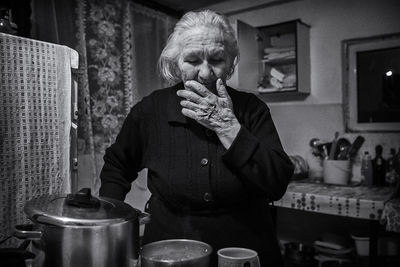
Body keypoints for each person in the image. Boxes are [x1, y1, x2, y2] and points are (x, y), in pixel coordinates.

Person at [99, 10, 294, 266]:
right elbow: (117, 166)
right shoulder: (150, 110)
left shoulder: (251, 109)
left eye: (216, 59)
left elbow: (277, 183)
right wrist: (108, 227)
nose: (205, 73)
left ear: (231, 62)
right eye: (192, 60)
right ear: (175, 63)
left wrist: (228, 128)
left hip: (242, 252)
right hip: (169, 252)